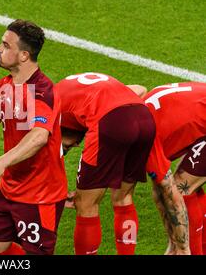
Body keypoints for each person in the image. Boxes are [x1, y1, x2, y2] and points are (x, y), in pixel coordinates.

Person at [0, 19, 67, 255]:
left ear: (24, 55)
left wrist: (1, 163)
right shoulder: (4, 86)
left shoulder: (43, 91)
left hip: (40, 194)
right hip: (10, 187)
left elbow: (39, 137)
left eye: (6, 45)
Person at [56, 72, 156, 255]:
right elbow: (141, 90)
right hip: (145, 119)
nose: (77, 144)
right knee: (123, 197)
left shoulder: (50, 106)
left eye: (65, 147)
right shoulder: (79, 92)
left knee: (86, 205)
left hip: (110, 123)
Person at [143, 82, 206, 255]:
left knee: (181, 189)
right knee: (180, 187)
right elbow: (160, 191)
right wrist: (173, 241)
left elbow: (172, 195)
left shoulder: (143, 141)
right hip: (198, 111)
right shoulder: (134, 113)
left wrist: (182, 248)